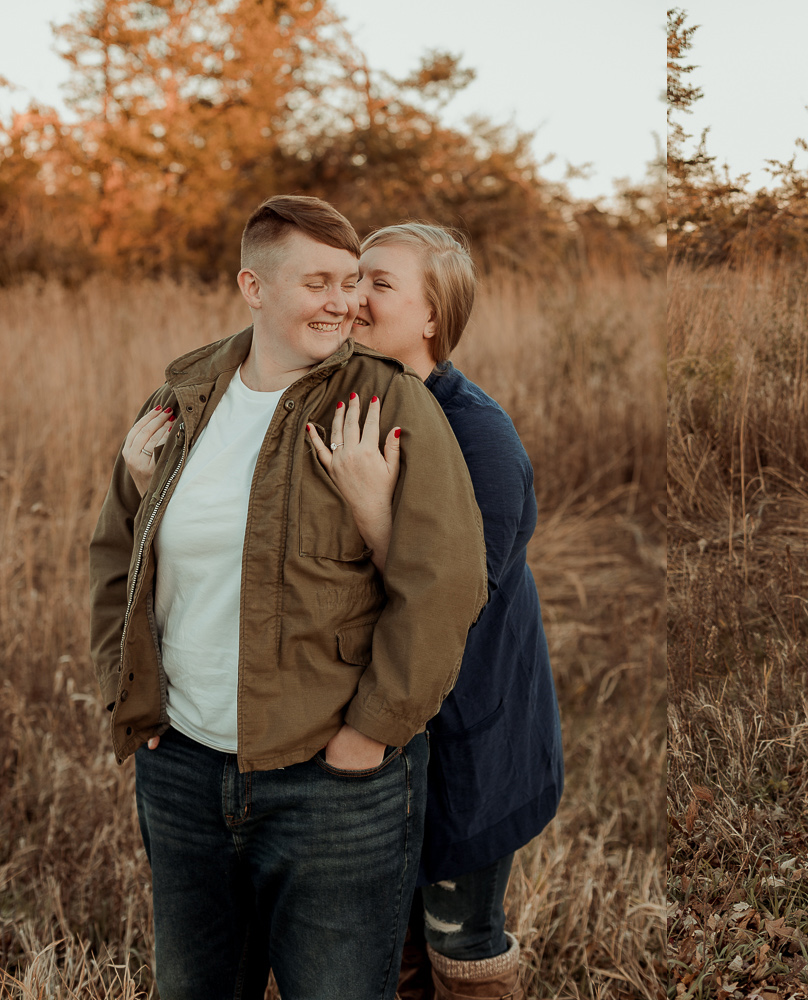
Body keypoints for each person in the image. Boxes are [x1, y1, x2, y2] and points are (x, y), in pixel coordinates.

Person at [90, 196, 488, 1000]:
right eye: (317, 282)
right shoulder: (183, 397)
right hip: (184, 774)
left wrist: (371, 735)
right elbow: (115, 556)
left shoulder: (387, 402)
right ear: (255, 286)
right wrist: (130, 695)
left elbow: (446, 580)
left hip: (331, 786)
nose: (343, 302)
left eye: (351, 281)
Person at [304, 223, 562, 1000]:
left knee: (460, 939)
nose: (353, 298)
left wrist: (374, 509)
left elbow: (460, 598)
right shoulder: (341, 398)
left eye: (378, 283)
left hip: (468, 728)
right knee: (387, 936)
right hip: (369, 721)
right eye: (353, 279)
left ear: (431, 316)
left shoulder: (478, 433)